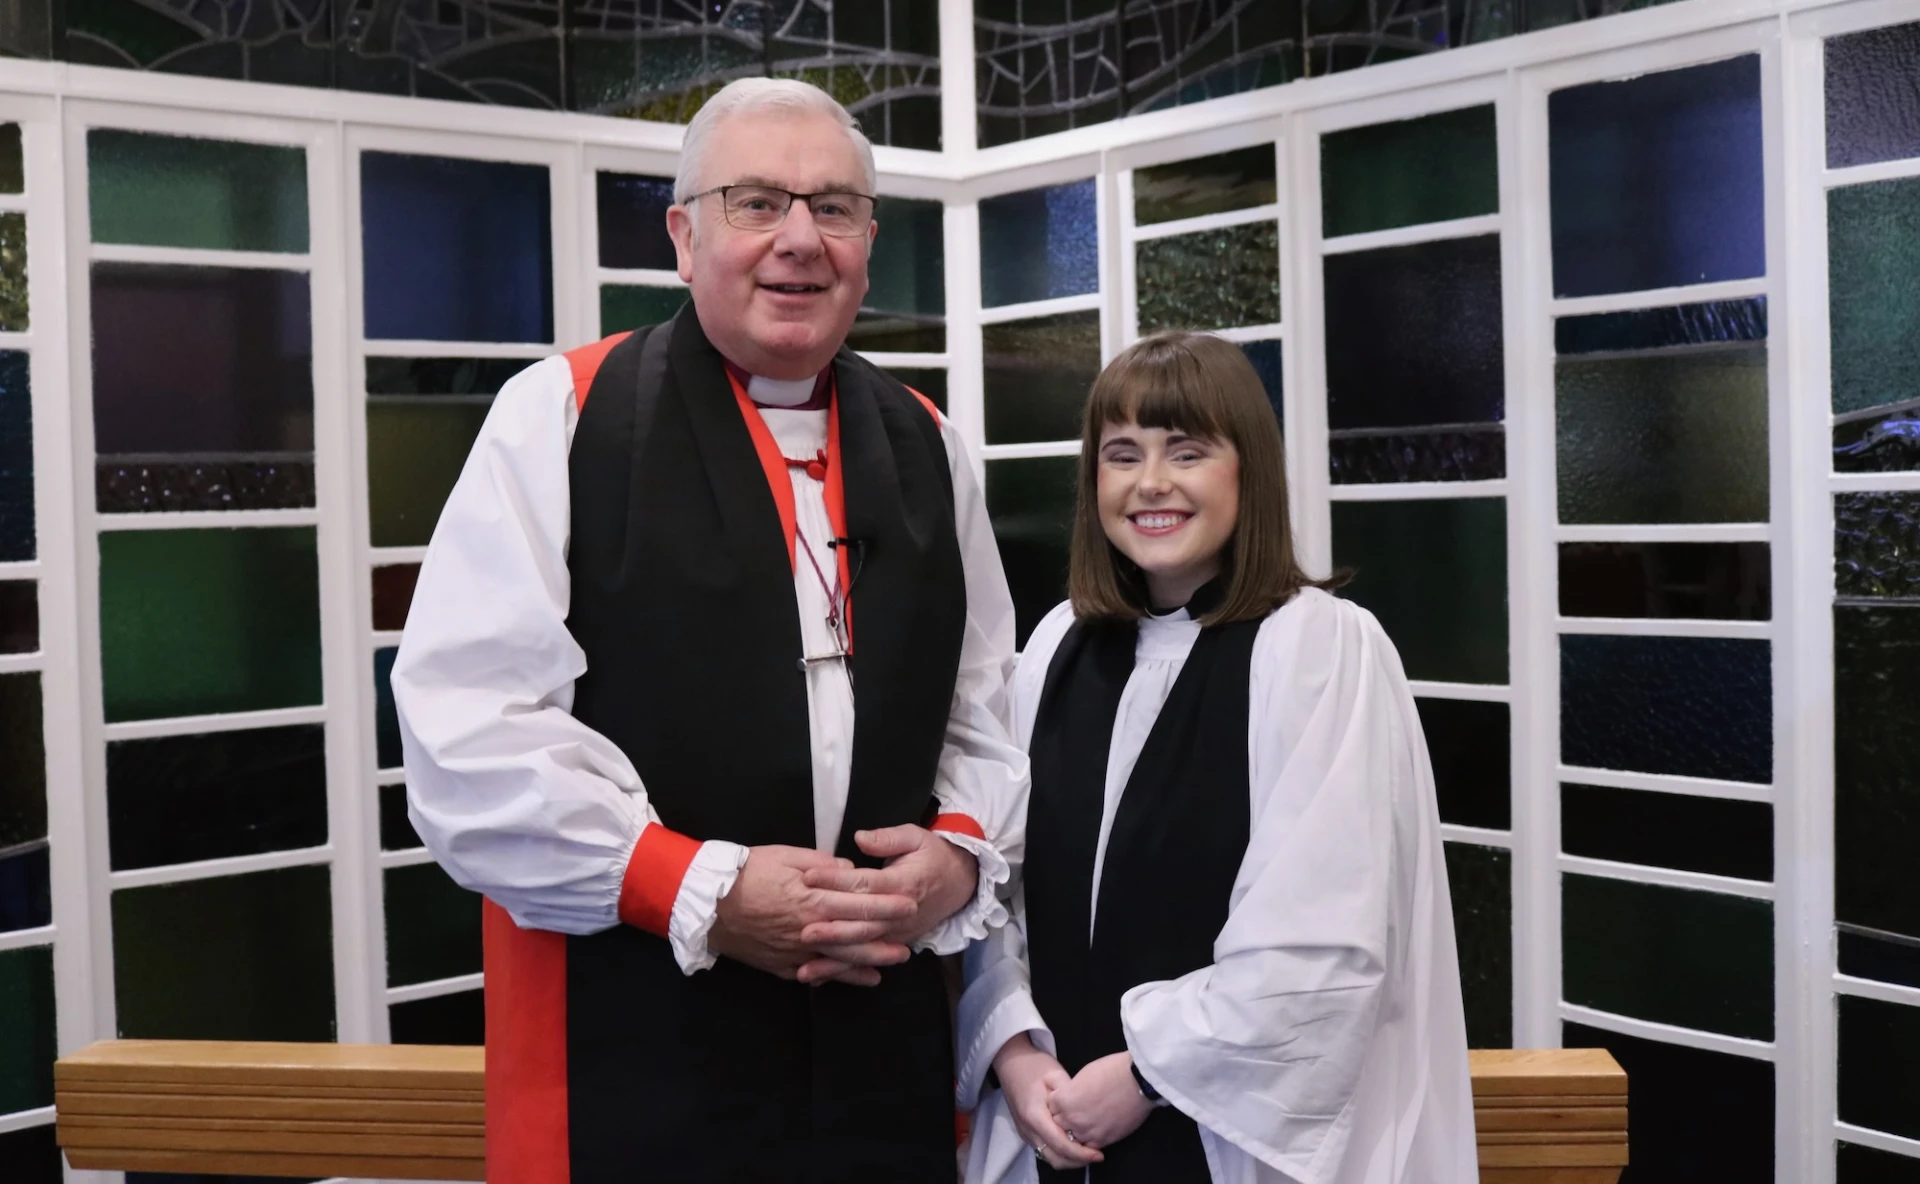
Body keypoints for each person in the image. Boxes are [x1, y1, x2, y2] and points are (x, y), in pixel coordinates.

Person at [394, 78, 1027, 1182]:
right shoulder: (566, 413)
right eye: (756, 202)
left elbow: (985, 706)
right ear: (684, 236)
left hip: (880, 1055)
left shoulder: (929, 443)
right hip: (638, 1053)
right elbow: (467, 734)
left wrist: (958, 859)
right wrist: (703, 889)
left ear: (869, 244)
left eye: (833, 207)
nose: (799, 239)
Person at [955, 333, 1476, 1183]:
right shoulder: (1058, 646)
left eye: (1187, 452)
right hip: (1049, 1120)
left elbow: (1324, 938)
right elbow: (998, 888)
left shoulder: (1316, 646)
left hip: (1218, 1138)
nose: (1151, 482)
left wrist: (1149, 1072)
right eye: (1122, 455)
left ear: (1249, 470)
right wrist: (1012, 1047)